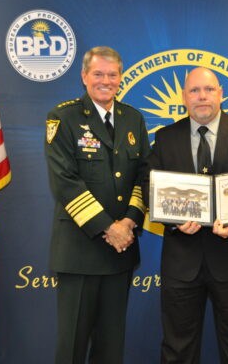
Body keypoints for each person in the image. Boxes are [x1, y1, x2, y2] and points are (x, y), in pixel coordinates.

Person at [145, 67, 228, 364]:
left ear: (221, 94)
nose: (202, 96)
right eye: (194, 91)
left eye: (209, 90)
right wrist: (174, 221)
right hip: (182, 262)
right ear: (183, 97)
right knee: (177, 350)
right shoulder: (166, 137)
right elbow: (150, 187)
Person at [44, 46, 150, 364]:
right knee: (72, 346)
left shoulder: (133, 118)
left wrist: (129, 222)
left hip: (121, 252)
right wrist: (109, 227)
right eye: (98, 74)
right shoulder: (63, 117)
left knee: (110, 346)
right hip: (80, 251)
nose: (106, 81)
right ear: (84, 76)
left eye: (113, 75)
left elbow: (143, 175)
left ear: (121, 78)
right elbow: (65, 182)